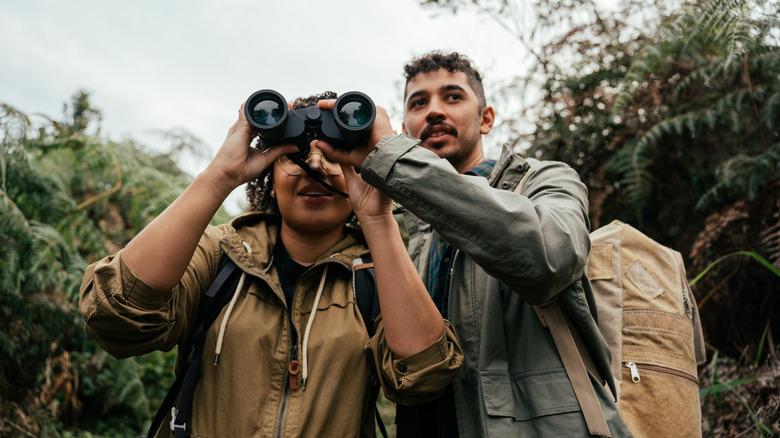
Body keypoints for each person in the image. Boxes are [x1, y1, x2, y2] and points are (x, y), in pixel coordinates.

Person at [78, 92, 463, 437]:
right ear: (269, 175)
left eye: (334, 155)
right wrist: (219, 177)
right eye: (295, 156)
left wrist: (378, 216)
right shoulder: (220, 253)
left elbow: (424, 376)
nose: (315, 165)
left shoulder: (377, 274)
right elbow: (114, 316)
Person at [318, 52, 633, 437]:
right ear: (403, 129)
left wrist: (397, 163)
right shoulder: (409, 234)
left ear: (486, 119)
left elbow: (551, 259)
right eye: (419, 103)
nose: (434, 111)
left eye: (453, 97)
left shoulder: (544, 180)